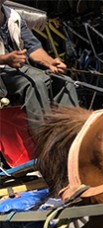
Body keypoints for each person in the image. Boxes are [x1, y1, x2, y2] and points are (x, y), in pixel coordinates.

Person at [0, 0, 78, 135]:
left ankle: (71, 133)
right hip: (3, 71)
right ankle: (43, 138)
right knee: (36, 81)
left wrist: (50, 62)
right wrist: (6, 59)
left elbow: (33, 48)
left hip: (16, 69)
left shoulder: (13, 16)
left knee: (64, 80)